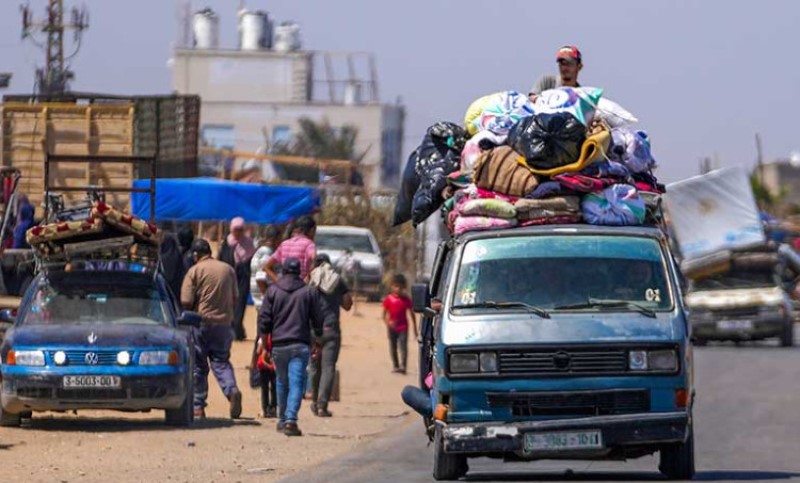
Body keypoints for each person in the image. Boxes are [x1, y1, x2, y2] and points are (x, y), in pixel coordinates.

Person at [258, 258, 333, 437]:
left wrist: (265, 346)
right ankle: (290, 420)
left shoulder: (273, 291)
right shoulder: (309, 292)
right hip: (300, 344)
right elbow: (318, 319)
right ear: (299, 272)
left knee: (281, 382)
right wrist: (318, 341)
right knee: (297, 382)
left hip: (278, 345)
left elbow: (264, 320)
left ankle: (282, 419)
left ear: (283, 271)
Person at [181, 239, 243, 420]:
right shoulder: (228, 269)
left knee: (199, 366)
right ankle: (231, 390)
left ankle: (198, 406)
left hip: (201, 324)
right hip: (223, 325)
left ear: (195, 255)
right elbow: (235, 298)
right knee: (221, 361)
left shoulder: (195, 271)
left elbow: (186, 300)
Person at [308, 254, 353, 417]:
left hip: (313, 330)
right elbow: (347, 305)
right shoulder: (337, 280)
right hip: (331, 329)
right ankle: (322, 406)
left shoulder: (310, 280)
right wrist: (335, 297)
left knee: (315, 367)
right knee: (328, 367)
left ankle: (314, 402)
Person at [218, 217, 256, 341]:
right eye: (236, 229)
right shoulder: (226, 242)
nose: (238, 232)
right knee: (228, 303)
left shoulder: (248, 243)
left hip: (243, 276)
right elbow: (221, 258)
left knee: (240, 303)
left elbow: (251, 259)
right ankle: (231, 329)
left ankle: (237, 329)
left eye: (240, 230)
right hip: (228, 275)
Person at [382, 274, 417, 374]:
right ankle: (396, 365)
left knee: (403, 346)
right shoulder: (389, 299)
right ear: (392, 286)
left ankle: (403, 366)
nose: (398, 289)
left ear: (404, 287)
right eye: (396, 286)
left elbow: (412, 314)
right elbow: (384, 315)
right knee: (393, 347)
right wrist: (389, 323)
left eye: (400, 287)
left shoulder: (406, 300)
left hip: (403, 327)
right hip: (392, 328)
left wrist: (415, 329)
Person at [264, 216, 317, 283]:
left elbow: (266, 267)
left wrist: (279, 281)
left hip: (285, 285)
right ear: (312, 230)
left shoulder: (284, 244)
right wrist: (307, 278)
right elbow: (315, 260)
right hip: (300, 285)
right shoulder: (309, 244)